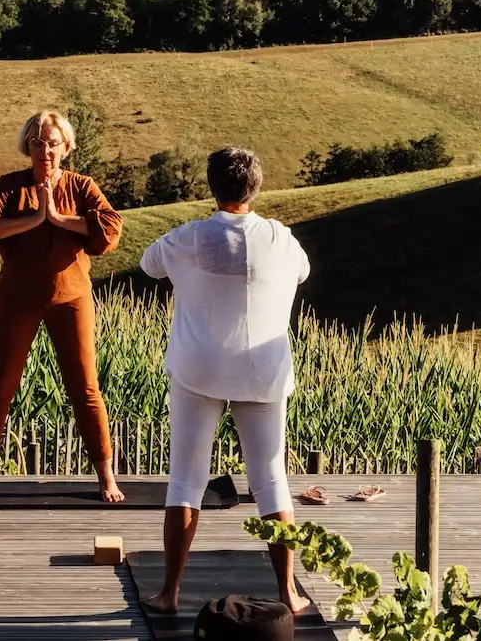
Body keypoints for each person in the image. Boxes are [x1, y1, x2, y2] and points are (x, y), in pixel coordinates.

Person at [138, 147, 311, 614]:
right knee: (272, 482)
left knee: (186, 482)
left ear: (212, 188)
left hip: (200, 370)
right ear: (256, 187)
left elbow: (148, 264)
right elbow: (302, 273)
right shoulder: (281, 238)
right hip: (263, 370)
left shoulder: (190, 237)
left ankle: (170, 593)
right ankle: (289, 592)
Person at [0, 110, 125, 504]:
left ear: (66, 147)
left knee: (85, 388)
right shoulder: (11, 186)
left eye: (53, 143)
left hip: (71, 298)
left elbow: (108, 228)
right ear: (28, 148)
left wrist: (57, 217)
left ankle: (107, 477)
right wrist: (36, 217)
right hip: (17, 299)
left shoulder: (82, 186)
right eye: (37, 143)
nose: (45, 150)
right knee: (0, 386)